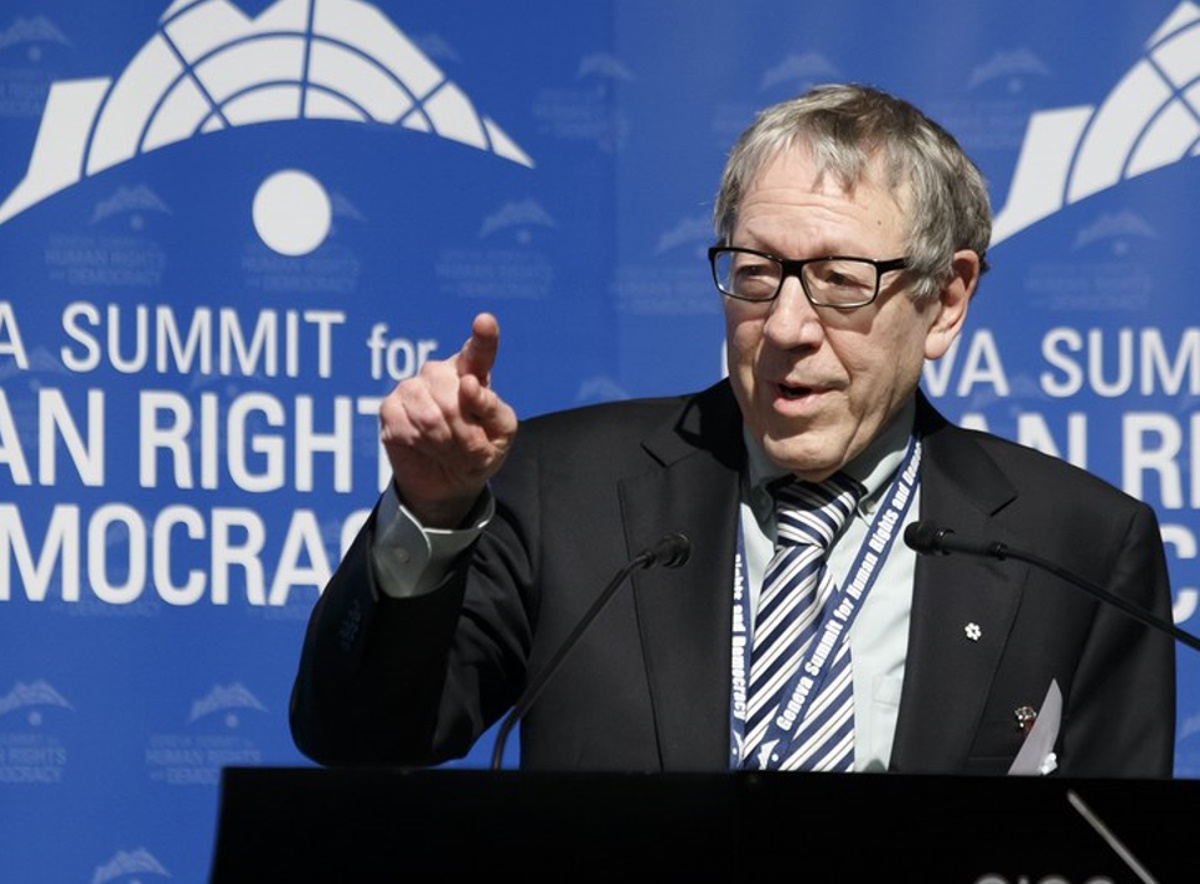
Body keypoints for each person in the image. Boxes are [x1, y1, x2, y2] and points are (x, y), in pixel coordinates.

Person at [290, 83, 1175, 776]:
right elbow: (362, 737)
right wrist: (433, 516)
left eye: (838, 279)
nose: (786, 326)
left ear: (945, 302)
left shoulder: (1078, 550)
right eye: (755, 273)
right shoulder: (564, 492)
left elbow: (1113, 853)